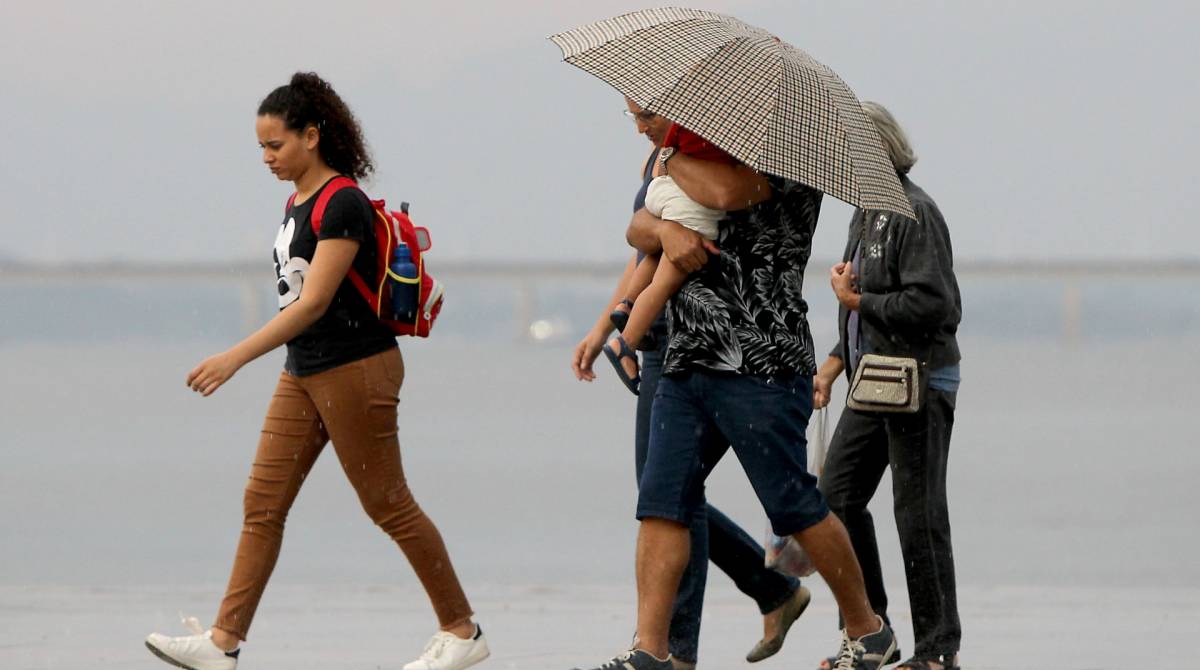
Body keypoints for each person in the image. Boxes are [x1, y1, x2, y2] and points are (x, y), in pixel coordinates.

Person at [143, 72, 489, 670]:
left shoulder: (343, 202)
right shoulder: (295, 201)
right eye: (261, 147)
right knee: (262, 501)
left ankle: (461, 631)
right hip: (304, 370)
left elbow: (313, 302)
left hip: (357, 369)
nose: (267, 157)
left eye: (276, 144)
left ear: (312, 135)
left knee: (388, 503)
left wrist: (233, 358)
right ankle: (223, 643)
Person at [571, 98, 896, 670]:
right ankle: (651, 650)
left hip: (762, 357)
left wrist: (666, 162)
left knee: (791, 502)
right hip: (686, 353)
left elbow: (725, 195)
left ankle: (867, 629)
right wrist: (668, 226)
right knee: (662, 501)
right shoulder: (700, 153)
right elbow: (637, 226)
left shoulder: (792, 153)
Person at [813, 101, 963, 670]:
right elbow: (862, 311)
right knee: (835, 498)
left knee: (918, 514)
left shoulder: (914, 212)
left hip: (919, 383)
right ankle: (872, 631)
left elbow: (936, 304)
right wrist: (832, 360)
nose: (836, 160)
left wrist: (857, 300)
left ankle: (937, 650)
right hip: (870, 381)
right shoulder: (862, 212)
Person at [602, 121, 738, 394]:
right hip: (689, 205)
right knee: (663, 283)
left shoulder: (679, 126)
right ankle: (626, 343)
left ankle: (626, 305)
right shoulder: (718, 134)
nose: (641, 127)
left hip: (661, 193)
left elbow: (665, 160)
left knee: (656, 254)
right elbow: (722, 189)